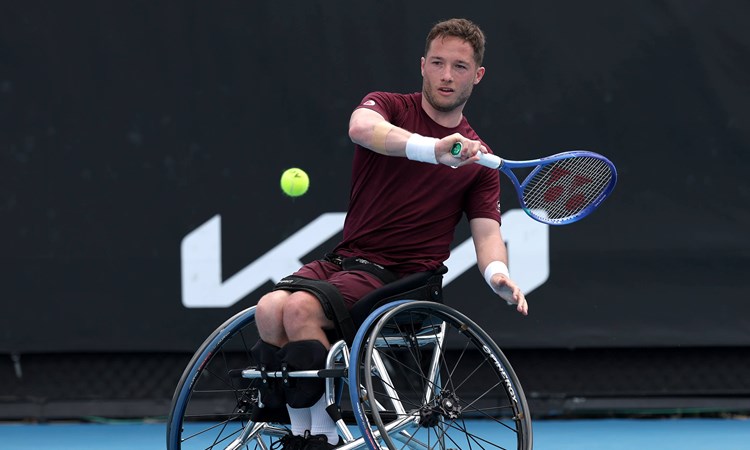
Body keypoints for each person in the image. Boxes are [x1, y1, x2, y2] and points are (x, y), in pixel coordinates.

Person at [253, 17, 528, 450]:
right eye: (437, 62)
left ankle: (318, 440)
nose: (445, 75)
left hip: (404, 277)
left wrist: (497, 274)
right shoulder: (388, 107)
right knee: (270, 309)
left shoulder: (480, 162)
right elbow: (361, 129)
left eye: (458, 67)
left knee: (299, 311)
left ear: (477, 76)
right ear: (422, 65)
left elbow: (487, 232)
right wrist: (433, 150)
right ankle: (302, 433)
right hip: (348, 259)